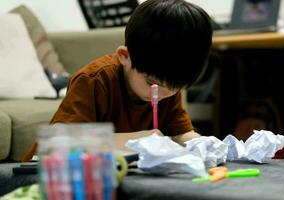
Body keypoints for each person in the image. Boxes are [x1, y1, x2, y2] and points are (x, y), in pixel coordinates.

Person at [23, 0, 212, 161]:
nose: (164, 94)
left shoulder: (166, 84)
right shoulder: (95, 80)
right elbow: (59, 142)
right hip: (42, 174)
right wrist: (139, 139)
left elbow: (180, 132)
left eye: (175, 87)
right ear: (124, 56)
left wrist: (200, 143)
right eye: (151, 83)